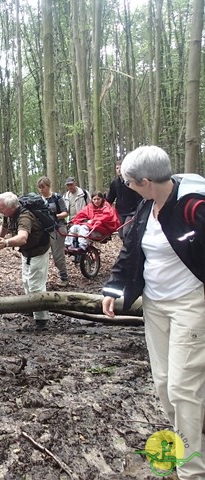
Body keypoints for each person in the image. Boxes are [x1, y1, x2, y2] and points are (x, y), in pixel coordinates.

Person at [101, 146, 205, 480]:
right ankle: (188, 446)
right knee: (163, 385)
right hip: (155, 306)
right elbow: (132, 252)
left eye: (129, 182)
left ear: (146, 181)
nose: (126, 187)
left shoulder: (194, 208)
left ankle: (191, 470)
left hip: (191, 304)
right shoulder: (146, 208)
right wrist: (115, 289)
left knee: (182, 389)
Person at [0, 192, 50, 329]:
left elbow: (22, 237)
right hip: (26, 251)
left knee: (36, 285)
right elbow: (4, 228)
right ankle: (30, 307)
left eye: (1, 208)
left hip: (38, 251)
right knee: (26, 281)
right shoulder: (9, 215)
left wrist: (6, 243)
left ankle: (42, 319)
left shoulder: (25, 216)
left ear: (11, 207)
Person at [37, 176, 69, 287]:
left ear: (48, 186)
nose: (41, 190)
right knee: (42, 253)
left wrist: (54, 216)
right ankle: (41, 279)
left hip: (58, 228)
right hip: (44, 230)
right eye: (39, 188)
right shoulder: (39, 199)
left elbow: (65, 212)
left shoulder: (56, 197)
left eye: (43, 187)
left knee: (57, 255)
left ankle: (64, 277)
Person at [106, 161, 143, 239]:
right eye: (117, 168)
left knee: (126, 232)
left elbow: (139, 198)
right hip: (120, 212)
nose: (119, 170)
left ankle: (131, 249)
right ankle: (127, 249)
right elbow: (110, 198)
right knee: (121, 234)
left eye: (121, 168)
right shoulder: (114, 183)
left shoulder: (132, 182)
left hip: (132, 212)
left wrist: (138, 211)